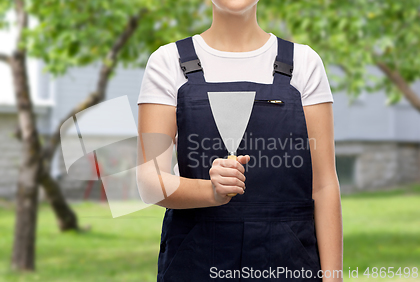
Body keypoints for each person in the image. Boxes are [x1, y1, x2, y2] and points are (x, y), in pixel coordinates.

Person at [136, 0, 343, 281]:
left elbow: (324, 184)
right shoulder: (167, 62)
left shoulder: (304, 64)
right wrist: (211, 191)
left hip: (290, 261)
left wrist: (333, 277)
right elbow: (150, 180)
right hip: (196, 261)